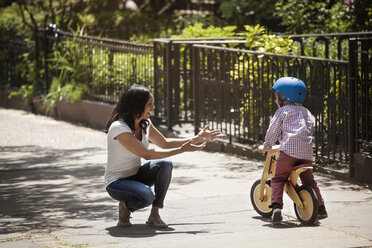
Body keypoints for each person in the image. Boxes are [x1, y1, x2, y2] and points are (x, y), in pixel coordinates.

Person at [104, 84, 221, 228]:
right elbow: (146, 154)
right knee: (147, 196)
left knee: (165, 163)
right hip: (117, 183)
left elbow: (164, 143)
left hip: (136, 175)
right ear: (137, 105)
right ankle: (126, 206)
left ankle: (155, 214)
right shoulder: (118, 128)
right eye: (149, 104)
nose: (153, 108)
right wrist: (181, 150)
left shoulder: (145, 124)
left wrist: (196, 138)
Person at [258, 76, 328, 223]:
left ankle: (276, 207)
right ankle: (321, 208)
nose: (276, 100)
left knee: (278, 178)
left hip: (288, 152)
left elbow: (273, 131)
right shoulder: (306, 112)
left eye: (277, 96)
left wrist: (267, 145)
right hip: (307, 153)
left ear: (284, 96)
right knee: (309, 181)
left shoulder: (283, 112)